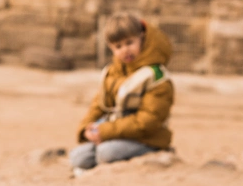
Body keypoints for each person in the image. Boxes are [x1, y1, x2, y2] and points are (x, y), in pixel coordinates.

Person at [70, 12, 174, 171]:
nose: (125, 50)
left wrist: (105, 131)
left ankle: (157, 151)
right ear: (111, 48)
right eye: (118, 46)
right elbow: (98, 105)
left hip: (147, 137)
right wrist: (86, 129)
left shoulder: (156, 76)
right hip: (116, 131)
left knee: (106, 153)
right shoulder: (113, 72)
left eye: (130, 42)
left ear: (142, 38)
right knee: (78, 157)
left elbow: (148, 120)